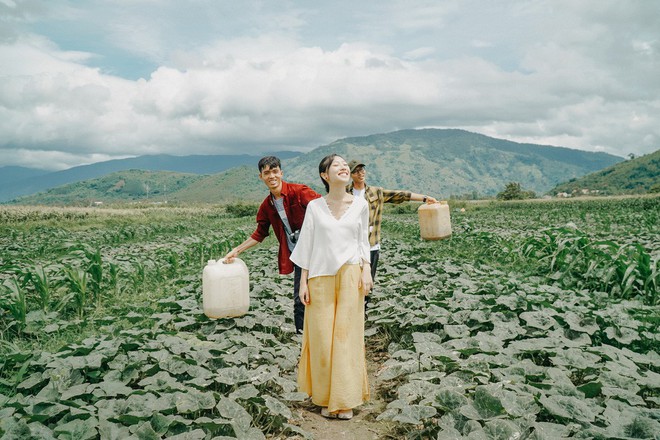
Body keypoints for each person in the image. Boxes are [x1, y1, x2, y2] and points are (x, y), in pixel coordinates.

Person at [290, 154, 372, 420]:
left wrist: (367, 271)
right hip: (320, 277)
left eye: (344, 164)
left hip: (350, 275)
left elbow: (363, 242)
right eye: (336, 165)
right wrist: (302, 282)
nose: (344, 167)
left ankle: (344, 400)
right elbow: (307, 246)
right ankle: (325, 397)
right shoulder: (315, 207)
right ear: (325, 175)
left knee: (346, 338)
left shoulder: (360, 204)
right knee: (323, 338)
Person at [223, 156, 321, 334]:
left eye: (275, 171)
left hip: (321, 253)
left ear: (281, 173)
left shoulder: (300, 192)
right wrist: (236, 250)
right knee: (301, 298)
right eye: (266, 173)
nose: (271, 176)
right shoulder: (267, 205)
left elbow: (324, 210)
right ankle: (303, 339)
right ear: (261, 176)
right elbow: (260, 233)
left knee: (323, 293)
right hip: (300, 256)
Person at [346, 159, 437, 301]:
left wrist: (425, 198)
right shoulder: (344, 192)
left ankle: (362, 318)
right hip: (349, 246)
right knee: (350, 285)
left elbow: (402, 195)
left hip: (371, 246)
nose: (360, 173)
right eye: (356, 171)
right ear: (351, 174)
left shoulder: (377, 192)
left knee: (366, 285)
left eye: (362, 169)